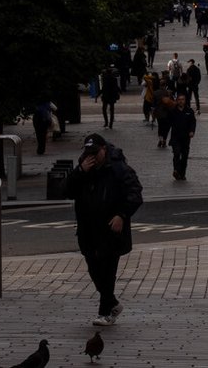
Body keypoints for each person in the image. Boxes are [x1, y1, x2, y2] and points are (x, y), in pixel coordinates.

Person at [66, 132, 143, 326]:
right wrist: (79, 172)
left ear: (104, 150)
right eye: (88, 153)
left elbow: (134, 193)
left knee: (108, 272)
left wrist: (122, 215)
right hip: (87, 230)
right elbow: (65, 190)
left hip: (111, 231)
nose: (92, 157)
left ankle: (105, 312)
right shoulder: (84, 169)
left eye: (95, 152)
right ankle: (112, 303)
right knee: (94, 269)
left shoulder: (118, 169)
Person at [166, 92, 197, 182]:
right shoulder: (173, 111)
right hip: (175, 137)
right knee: (176, 153)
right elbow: (168, 123)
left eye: (182, 99)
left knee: (184, 156)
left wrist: (192, 131)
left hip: (185, 138)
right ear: (176, 101)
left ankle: (182, 173)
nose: (181, 101)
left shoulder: (189, 111)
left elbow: (193, 122)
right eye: (179, 100)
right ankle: (176, 170)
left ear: (185, 100)